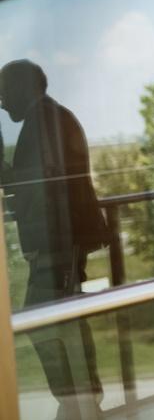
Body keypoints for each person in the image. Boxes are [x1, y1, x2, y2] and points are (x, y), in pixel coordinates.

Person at [0, 60, 107, 419]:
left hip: (58, 242)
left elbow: (33, 187)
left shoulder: (43, 121)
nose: (1, 100)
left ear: (23, 87)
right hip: (64, 240)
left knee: (44, 318)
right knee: (64, 317)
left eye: (4, 90)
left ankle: (77, 395)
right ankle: (82, 395)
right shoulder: (52, 116)